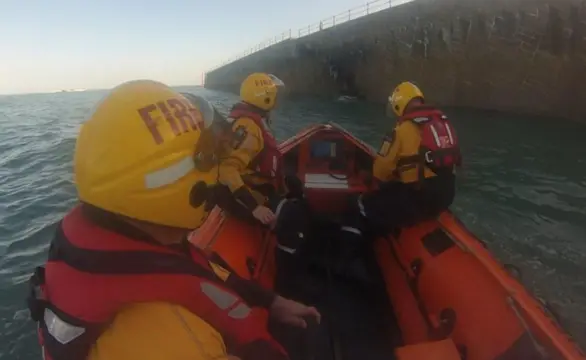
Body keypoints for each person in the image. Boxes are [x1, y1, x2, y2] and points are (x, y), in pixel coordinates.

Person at [25, 80, 319, 360]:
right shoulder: (177, 341)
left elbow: (205, 271)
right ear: (178, 185)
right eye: (208, 156)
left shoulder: (119, 237)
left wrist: (271, 302)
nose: (215, 166)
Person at [336, 81, 461, 273]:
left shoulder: (402, 130)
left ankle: (347, 262)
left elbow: (381, 171)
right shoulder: (441, 123)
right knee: (391, 196)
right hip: (446, 196)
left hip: (418, 198)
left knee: (358, 205)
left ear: (398, 105)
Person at [207, 73, 311, 297]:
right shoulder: (250, 128)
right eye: (274, 95)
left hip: (255, 185)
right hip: (239, 195)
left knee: (296, 191)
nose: (277, 99)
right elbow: (227, 169)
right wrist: (254, 206)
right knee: (292, 216)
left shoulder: (253, 122)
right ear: (264, 98)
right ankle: (287, 281)